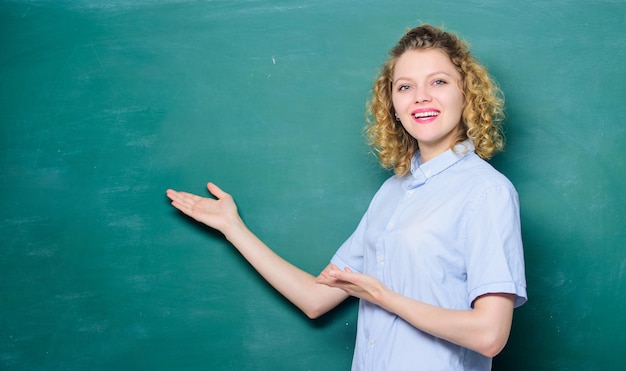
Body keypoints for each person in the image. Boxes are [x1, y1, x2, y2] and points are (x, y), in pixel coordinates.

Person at [166, 24, 527, 370]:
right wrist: (233, 227)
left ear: (466, 93)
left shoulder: (486, 191)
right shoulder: (392, 193)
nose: (421, 97)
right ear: (394, 108)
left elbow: (489, 335)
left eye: (439, 81)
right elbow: (316, 298)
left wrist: (386, 297)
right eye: (405, 87)